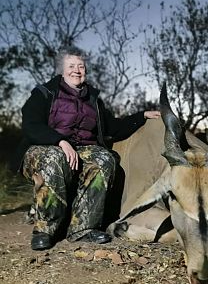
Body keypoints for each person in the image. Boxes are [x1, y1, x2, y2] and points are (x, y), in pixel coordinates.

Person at [12, 46, 160, 250]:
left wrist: (141, 116)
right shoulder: (44, 93)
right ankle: (45, 229)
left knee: (104, 158)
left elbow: (113, 128)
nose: (77, 70)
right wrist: (59, 141)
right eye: (71, 66)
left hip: (80, 149)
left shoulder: (93, 100)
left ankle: (83, 229)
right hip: (42, 148)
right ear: (61, 70)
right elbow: (30, 124)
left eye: (81, 66)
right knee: (54, 157)